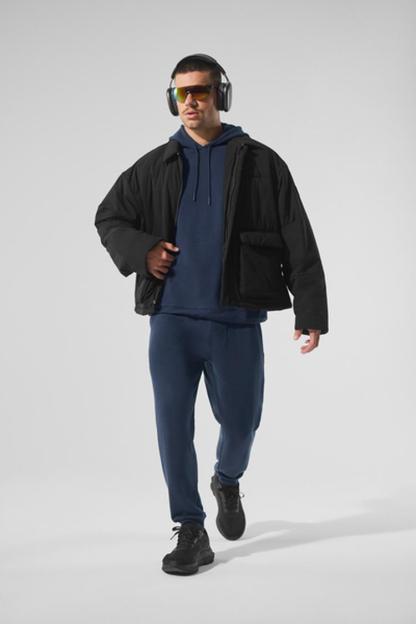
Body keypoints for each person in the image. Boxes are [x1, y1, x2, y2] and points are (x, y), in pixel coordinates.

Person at [94, 53, 329, 575]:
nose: (191, 101)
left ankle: (227, 479)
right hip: (171, 320)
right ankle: (190, 527)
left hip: (235, 319)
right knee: (172, 427)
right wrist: (143, 251)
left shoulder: (260, 162)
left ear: (221, 94)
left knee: (242, 421)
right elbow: (109, 217)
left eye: (200, 91)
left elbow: (298, 234)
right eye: (181, 93)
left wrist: (309, 308)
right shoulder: (154, 165)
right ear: (172, 99)